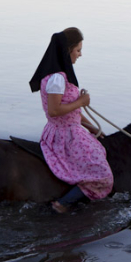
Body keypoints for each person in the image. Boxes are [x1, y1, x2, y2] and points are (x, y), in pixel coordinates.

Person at [29, 27, 114, 213]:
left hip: (69, 129)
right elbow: (54, 110)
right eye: (78, 50)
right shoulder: (57, 79)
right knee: (103, 176)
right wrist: (81, 102)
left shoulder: (58, 76)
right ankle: (63, 204)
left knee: (98, 150)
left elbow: (69, 112)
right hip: (64, 135)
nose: (80, 54)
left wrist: (91, 127)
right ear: (67, 51)